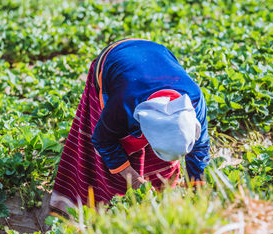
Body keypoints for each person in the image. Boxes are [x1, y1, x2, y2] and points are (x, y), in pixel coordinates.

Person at [50, 38, 210, 214]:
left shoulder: (194, 100)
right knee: (113, 174)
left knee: (161, 164)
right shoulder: (124, 103)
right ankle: (100, 211)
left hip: (154, 55)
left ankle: (159, 196)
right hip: (115, 58)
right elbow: (102, 141)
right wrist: (133, 180)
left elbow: (200, 147)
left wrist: (197, 189)